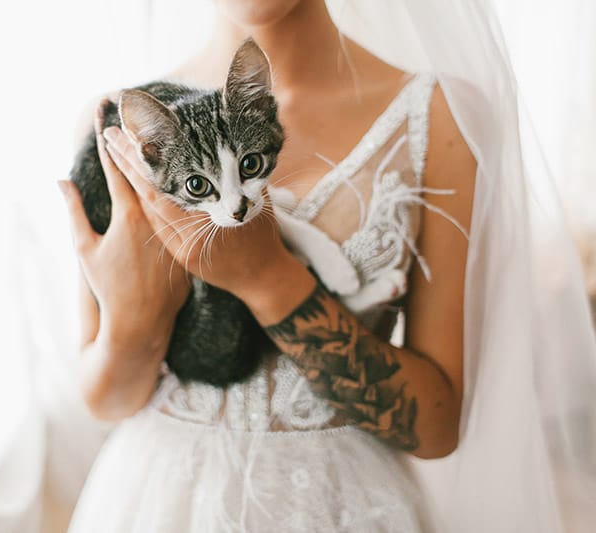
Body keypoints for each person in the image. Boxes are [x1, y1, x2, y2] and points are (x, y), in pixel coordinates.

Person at [59, 0, 596, 531]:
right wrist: (139, 309)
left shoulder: (441, 114)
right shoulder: (120, 128)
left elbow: (436, 427)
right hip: (158, 502)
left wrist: (265, 275)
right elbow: (106, 401)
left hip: (341, 505)